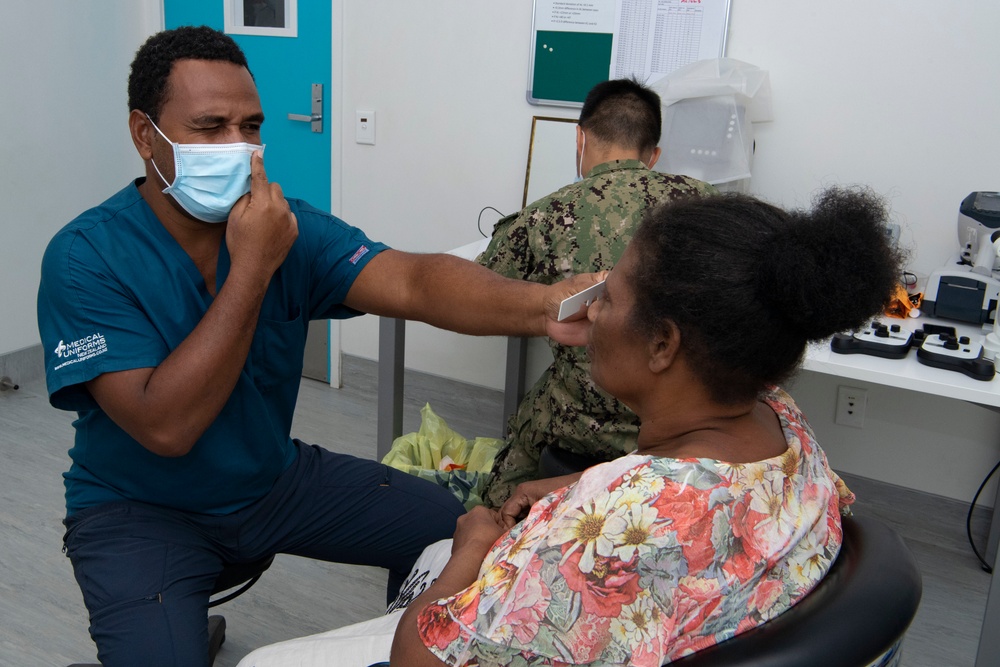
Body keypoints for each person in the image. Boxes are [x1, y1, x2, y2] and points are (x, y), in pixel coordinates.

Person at [35, 26, 598, 667]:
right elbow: (166, 427)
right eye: (210, 126)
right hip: (141, 509)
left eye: (250, 127)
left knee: (452, 527)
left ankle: (410, 644)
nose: (238, 148)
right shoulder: (86, 257)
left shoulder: (286, 227)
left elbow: (412, 279)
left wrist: (543, 305)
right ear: (144, 135)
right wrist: (251, 269)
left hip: (270, 482)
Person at [236, 187, 904, 666]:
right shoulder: (780, 422)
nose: (591, 308)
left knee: (265, 659)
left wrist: (472, 545)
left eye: (609, 294)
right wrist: (578, 482)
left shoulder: (609, 528)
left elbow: (420, 657)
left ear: (664, 344)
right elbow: (679, 494)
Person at [479, 78, 716, 508]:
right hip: (680, 421)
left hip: (578, 420)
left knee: (495, 498)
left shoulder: (545, 215)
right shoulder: (705, 207)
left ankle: (494, 528)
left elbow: (479, 293)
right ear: (654, 154)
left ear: (579, 138)